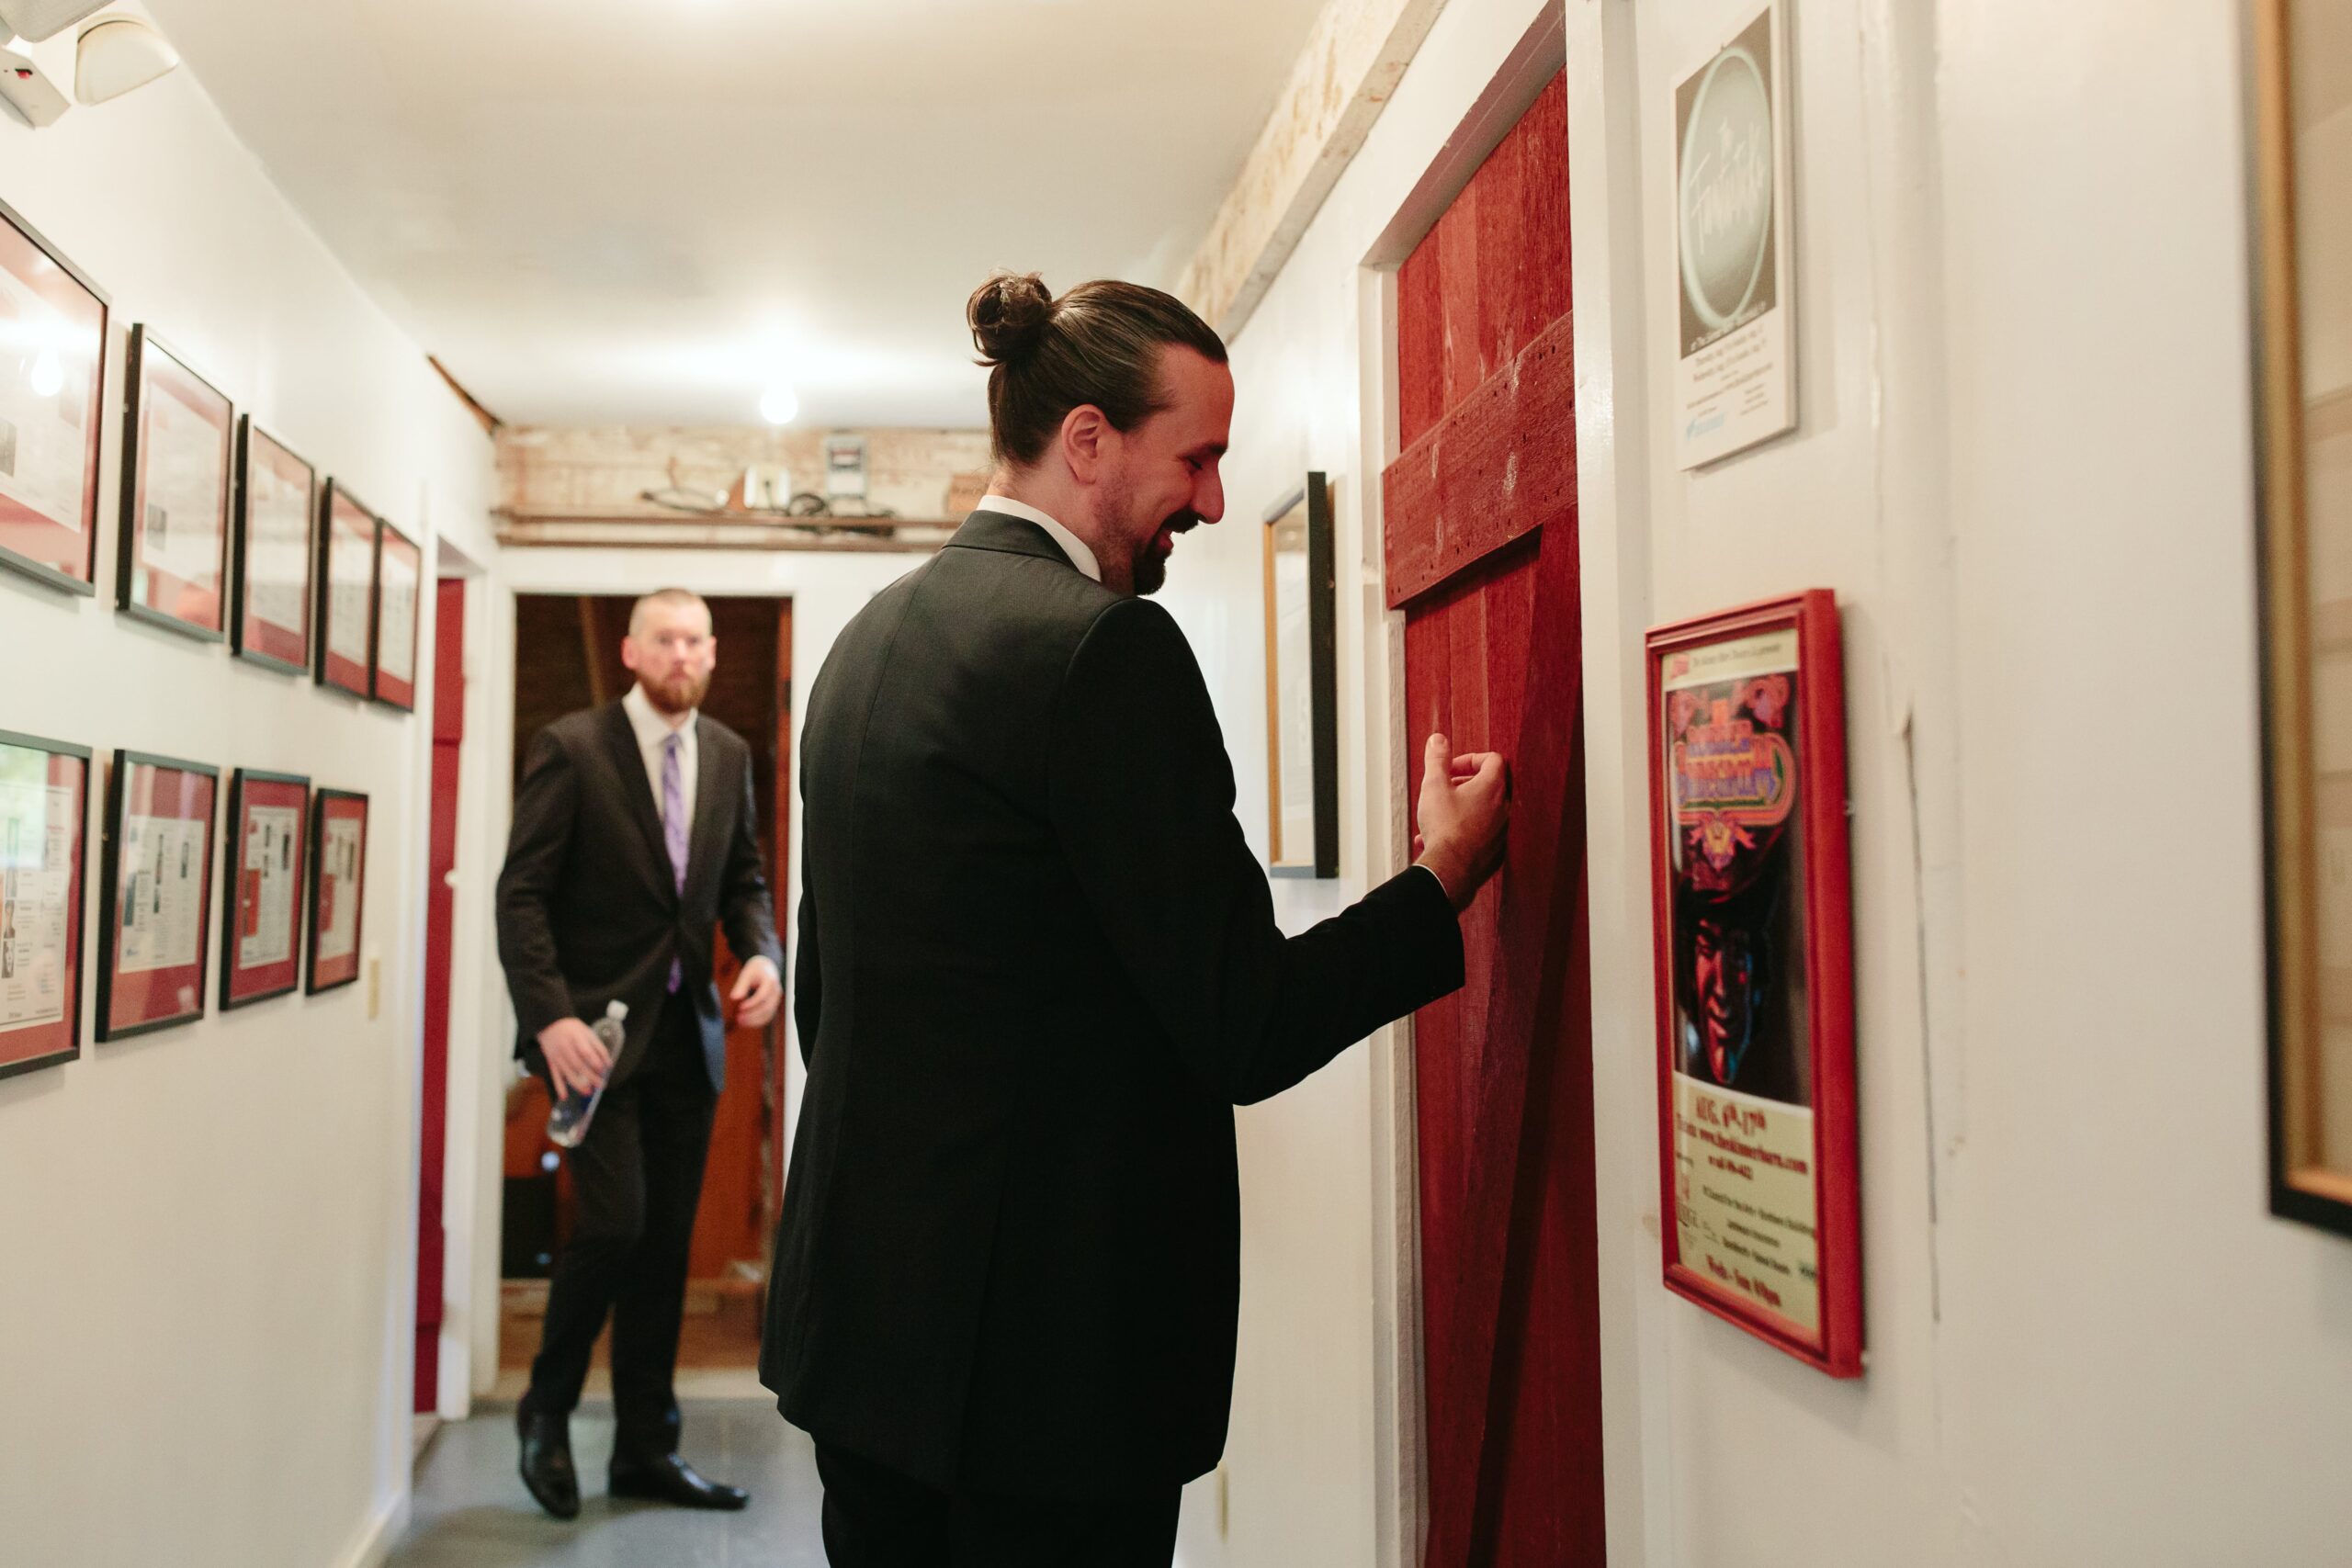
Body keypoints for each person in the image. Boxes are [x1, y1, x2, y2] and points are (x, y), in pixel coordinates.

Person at [761, 273, 1511, 1565]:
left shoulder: (863, 646)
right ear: (1089, 440)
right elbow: (1246, 1021)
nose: (1212, 502)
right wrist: (1440, 877)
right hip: (1047, 1384)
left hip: (864, 1345)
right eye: (1197, 458)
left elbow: (829, 1001)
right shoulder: (1103, 650)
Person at [495, 587, 785, 1519]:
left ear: (713, 653)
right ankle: (545, 1407)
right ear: (630, 651)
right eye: (664, 639)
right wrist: (549, 1019)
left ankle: (645, 1448)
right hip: (591, 1044)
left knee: (663, 1248)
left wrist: (764, 956)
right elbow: (521, 895)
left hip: (687, 1041)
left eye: (696, 641)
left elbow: (744, 880)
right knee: (614, 1226)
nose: (682, 655)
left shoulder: (728, 752)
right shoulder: (572, 747)